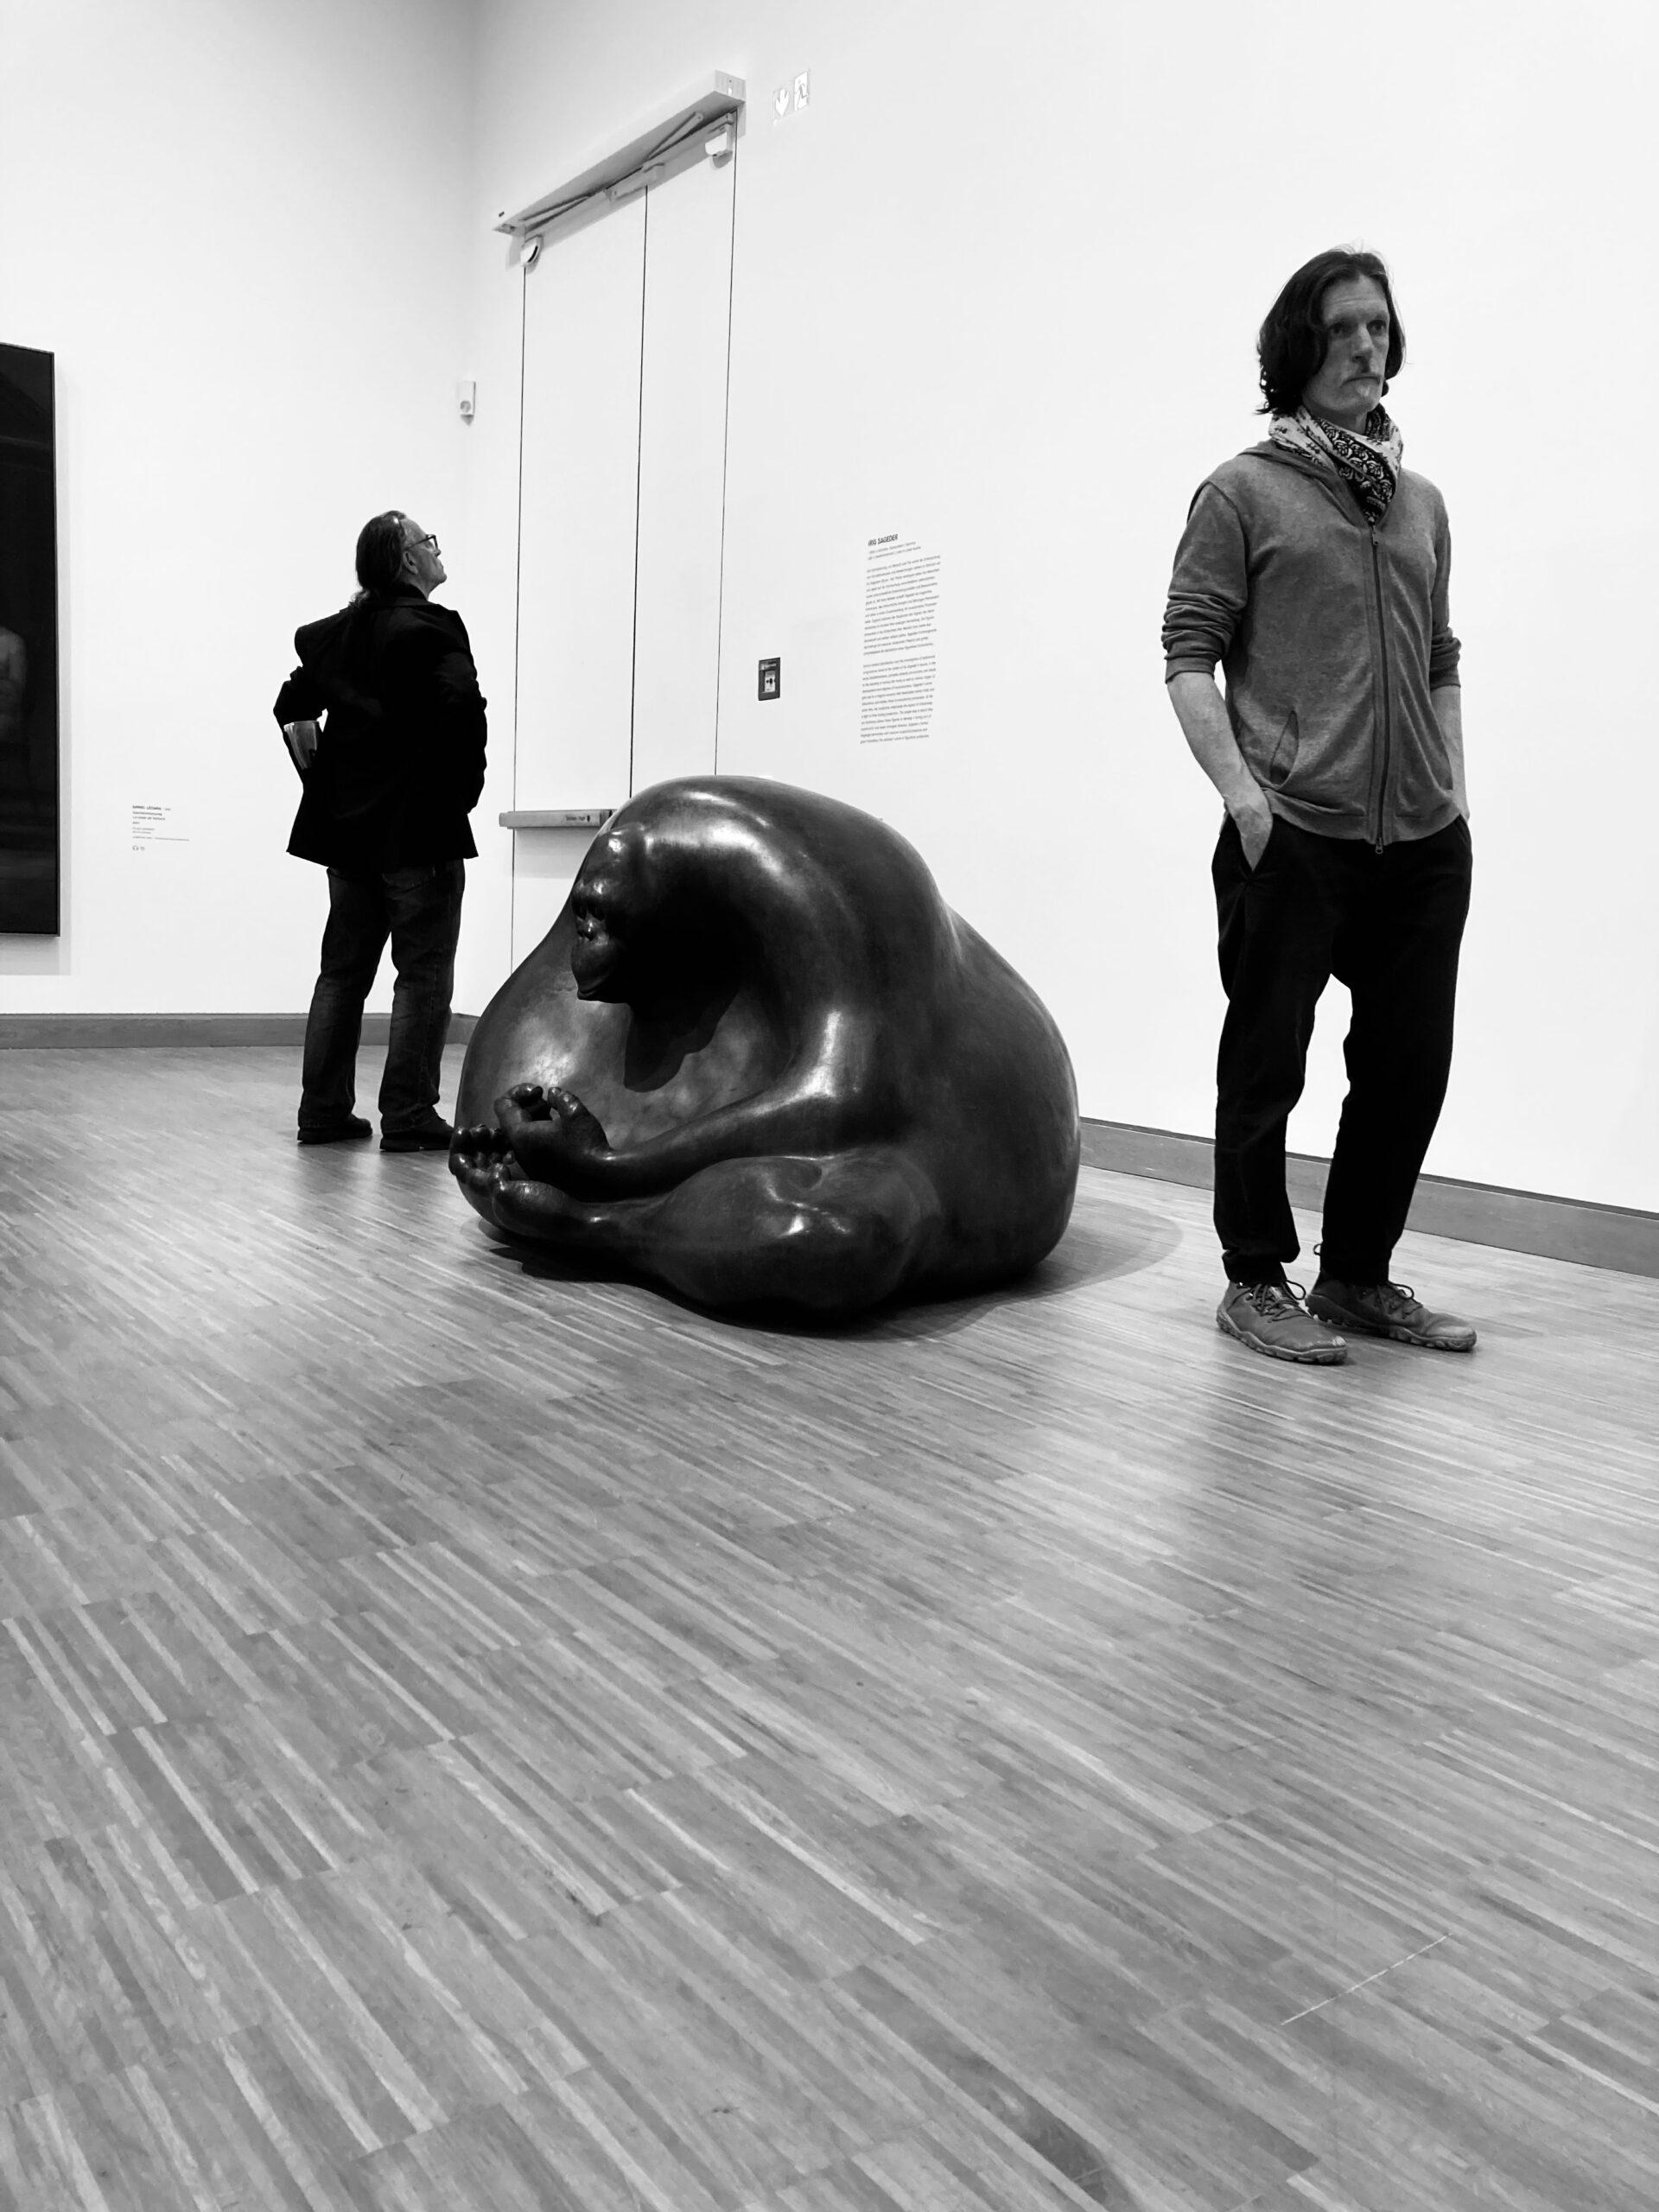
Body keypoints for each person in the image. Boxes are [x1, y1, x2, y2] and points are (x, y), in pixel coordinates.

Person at [1162, 246, 1476, 1363]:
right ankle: (1254, 1280)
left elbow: (1440, 655)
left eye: (1379, 328)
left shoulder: (1423, 503)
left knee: (1407, 1069)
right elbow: (1188, 658)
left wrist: (1456, 792)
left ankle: (1356, 1278)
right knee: (1266, 1062)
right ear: (1298, 348)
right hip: (1295, 830)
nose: (1365, 347)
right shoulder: (1240, 490)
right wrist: (1249, 803)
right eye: (1342, 328)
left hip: (1423, 839)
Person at [274, 511, 486, 1151]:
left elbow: (292, 707)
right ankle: (409, 1114)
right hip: (418, 829)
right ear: (406, 562)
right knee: (422, 973)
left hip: (349, 833)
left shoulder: (336, 635)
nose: (437, 548)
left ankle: (323, 1112)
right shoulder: (432, 627)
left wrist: (321, 778)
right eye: (428, 541)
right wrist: (462, 794)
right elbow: (462, 711)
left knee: (342, 974)